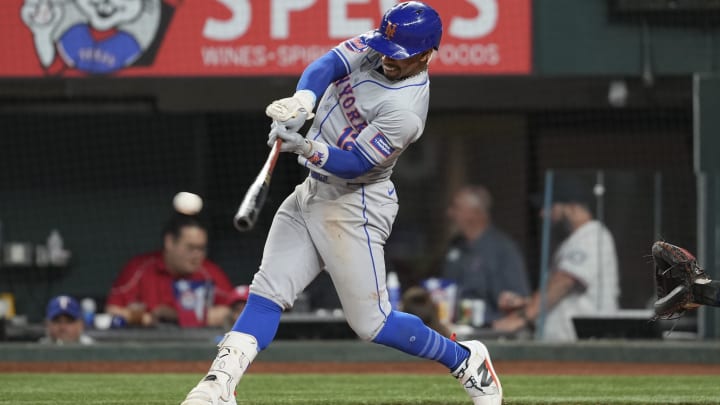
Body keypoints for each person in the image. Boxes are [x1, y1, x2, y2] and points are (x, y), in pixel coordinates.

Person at [181, 3, 502, 405]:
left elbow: (356, 165)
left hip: (356, 203)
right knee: (267, 292)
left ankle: (466, 360)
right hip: (313, 191)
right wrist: (303, 101)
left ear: (426, 55)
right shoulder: (382, 44)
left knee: (372, 323)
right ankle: (218, 385)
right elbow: (327, 64)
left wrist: (307, 147)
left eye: (399, 55)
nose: (388, 57)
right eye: (387, 47)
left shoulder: (406, 111)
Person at [494, 175, 620, 341]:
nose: (543, 214)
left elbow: (563, 282)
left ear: (572, 207)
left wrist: (522, 317)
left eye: (550, 207)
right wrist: (525, 303)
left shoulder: (593, 235)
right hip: (569, 344)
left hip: (586, 345)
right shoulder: (573, 240)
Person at [106, 213, 234, 328]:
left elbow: (234, 313)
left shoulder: (209, 272)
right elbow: (112, 309)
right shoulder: (140, 268)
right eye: (190, 247)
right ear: (169, 242)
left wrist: (176, 316)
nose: (197, 255)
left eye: (201, 249)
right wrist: (148, 318)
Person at [442, 185, 531, 327]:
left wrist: (511, 303)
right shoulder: (455, 246)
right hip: (454, 330)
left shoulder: (502, 250)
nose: (449, 213)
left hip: (489, 333)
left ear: (475, 213)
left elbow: (520, 301)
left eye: (456, 208)